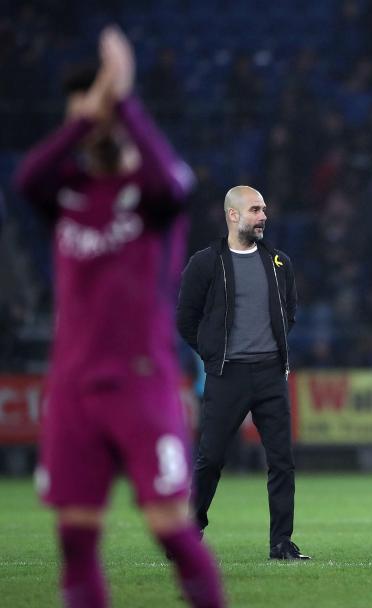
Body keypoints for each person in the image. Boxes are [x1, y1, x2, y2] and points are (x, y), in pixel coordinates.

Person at [14, 26, 224, 607]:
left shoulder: (151, 196)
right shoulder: (68, 193)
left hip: (141, 386)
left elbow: (176, 182)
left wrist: (123, 99)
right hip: (73, 389)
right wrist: (84, 118)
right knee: (75, 543)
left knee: (173, 532)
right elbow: (26, 178)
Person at [176, 185, 306, 560]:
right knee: (211, 458)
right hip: (226, 373)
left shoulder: (280, 263)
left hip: (270, 374)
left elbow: (289, 313)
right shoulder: (205, 263)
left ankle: (281, 543)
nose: (263, 216)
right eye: (254, 210)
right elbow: (185, 319)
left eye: (264, 209)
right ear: (233, 215)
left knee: (282, 460)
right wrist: (213, 353)